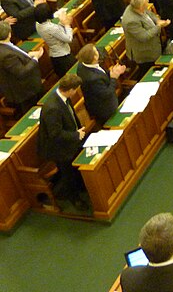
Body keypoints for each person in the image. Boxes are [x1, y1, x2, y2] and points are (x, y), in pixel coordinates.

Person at [37, 73, 89, 211]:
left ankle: (81, 187)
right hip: (59, 148)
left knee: (74, 170)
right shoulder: (53, 108)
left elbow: (70, 114)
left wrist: (78, 130)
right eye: (76, 89)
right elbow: (55, 134)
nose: (76, 92)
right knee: (68, 174)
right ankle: (74, 198)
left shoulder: (63, 97)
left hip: (70, 141)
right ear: (70, 89)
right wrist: (75, 135)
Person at [0, 20, 43, 115]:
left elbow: (17, 53)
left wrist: (29, 54)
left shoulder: (5, 46)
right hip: (25, 92)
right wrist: (35, 59)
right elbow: (21, 72)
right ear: (9, 34)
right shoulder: (6, 54)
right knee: (35, 114)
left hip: (26, 87)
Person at [121, 0, 169, 78]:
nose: (148, 2)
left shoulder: (138, 7)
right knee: (148, 74)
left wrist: (157, 21)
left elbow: (149, 14)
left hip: (154, 45)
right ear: (141, 6)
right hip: (144, 52)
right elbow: (144, 36)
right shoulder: (131, 21)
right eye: (147, 2)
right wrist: (158, 26)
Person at [77, 44, 124, 128]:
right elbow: (107, 93)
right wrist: (114, 77)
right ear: (95, 57)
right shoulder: (92, 78)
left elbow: (102, 75)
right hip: (105, 109)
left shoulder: (82, 65)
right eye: (96, 51)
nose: (98, 51)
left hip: (98, 100)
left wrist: (111, 72)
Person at [35, 5, 77, 77]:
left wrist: (61, 22)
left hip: (54, 57)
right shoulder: (50, 27)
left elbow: (56, 32)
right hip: (64, 57)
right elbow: (68, 38)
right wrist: (67, 25)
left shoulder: (37, 25)